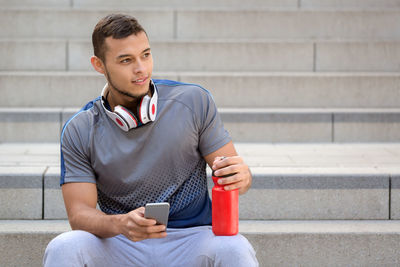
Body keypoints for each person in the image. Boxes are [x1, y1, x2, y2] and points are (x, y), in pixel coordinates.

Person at [43, 13, 258, 267]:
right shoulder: (79, 129)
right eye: (126, 60)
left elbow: (233, 177)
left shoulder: (193, 101)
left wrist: (241, 177)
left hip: (192, 238)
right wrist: (120, 224)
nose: (141, 69)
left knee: (235, 249)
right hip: (122, 241)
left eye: (145, 55)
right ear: (99, 65)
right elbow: (79, 214)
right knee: (64, 247)